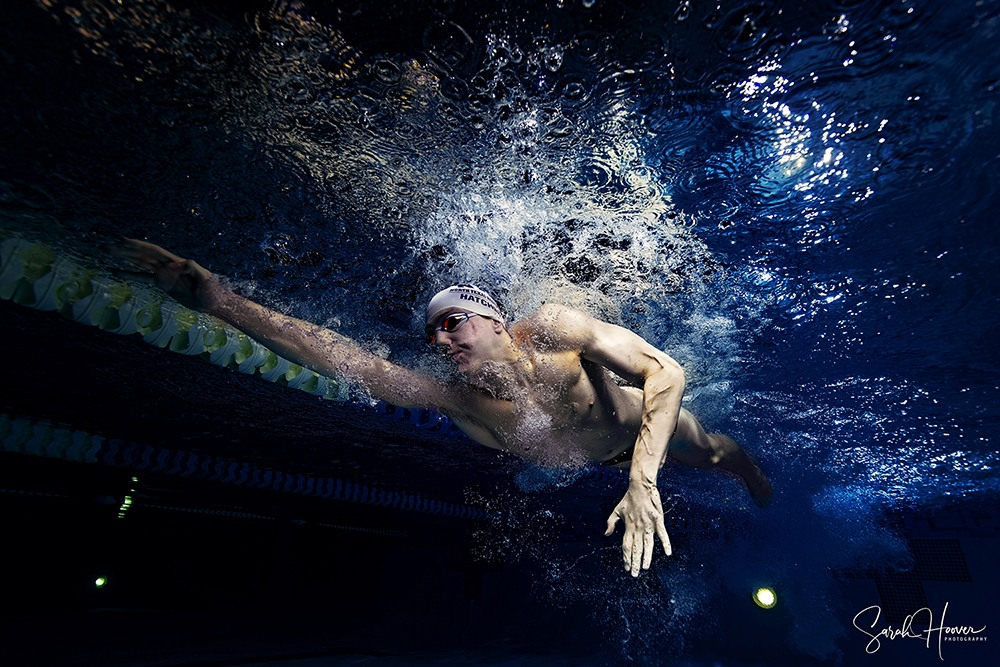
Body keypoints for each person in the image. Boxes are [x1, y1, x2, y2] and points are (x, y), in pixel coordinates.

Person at [113, 238, 773, 577]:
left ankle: (753, 475)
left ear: (492, 319)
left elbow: (666, 370)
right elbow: (347, 357)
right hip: (589, 459)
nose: (441, 340)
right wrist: (222, 302)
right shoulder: (454, 398)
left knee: (718, 454)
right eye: (433, 333)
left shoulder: (552, 328)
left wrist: (642, 476)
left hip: (637, 434)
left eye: (453, 323)